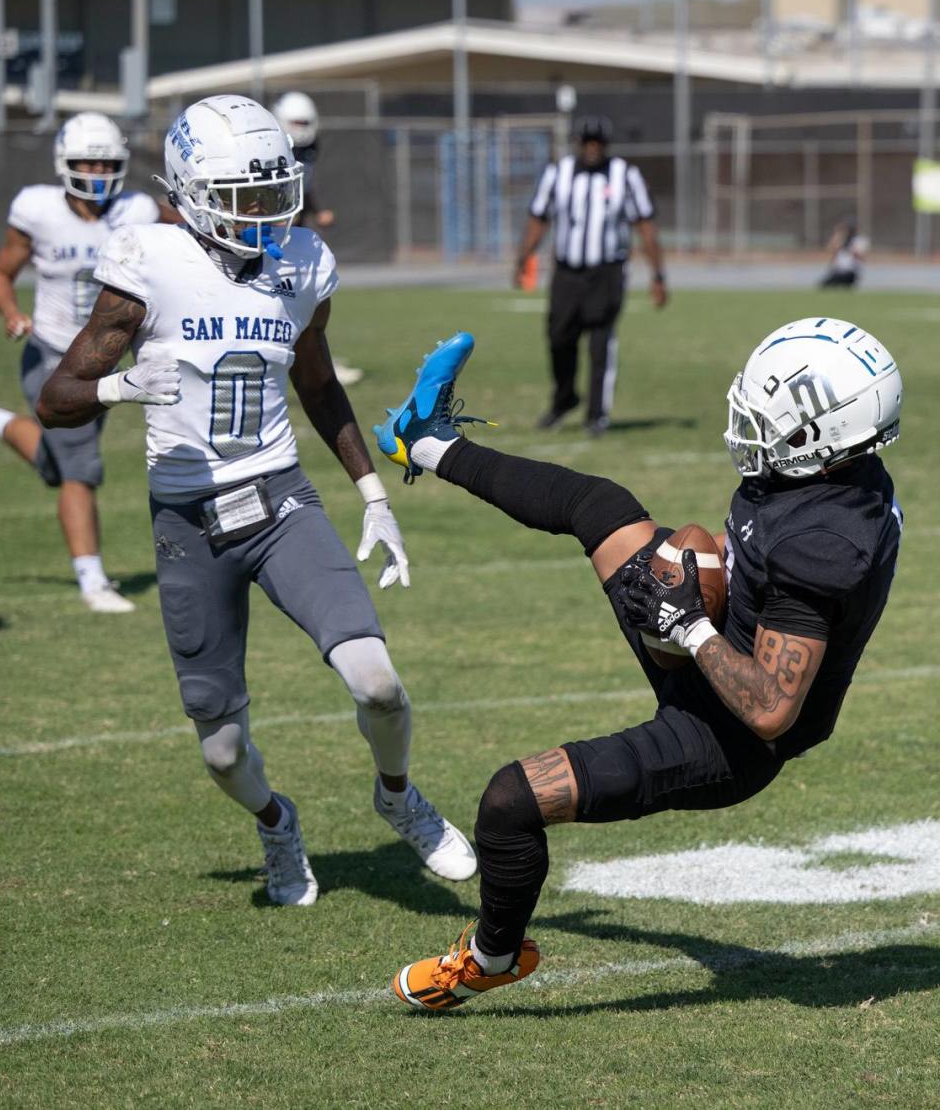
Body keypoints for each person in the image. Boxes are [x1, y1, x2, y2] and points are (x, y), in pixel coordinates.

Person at [374, 317, 903, 1010]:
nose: (748, 428)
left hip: (728, 733)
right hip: (706, 640)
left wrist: (685, 622)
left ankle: (492, 958)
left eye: (769, 420)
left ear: (820, 436)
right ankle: (427, 439)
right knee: (600, 507)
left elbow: (772, 710)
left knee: (509, 801)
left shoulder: (826, 543)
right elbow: (760, 562)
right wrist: (699, 575)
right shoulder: (835, 468)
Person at [37, 94, 476, 906]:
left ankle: (398, 795)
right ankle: (277, 824)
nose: (267, 213)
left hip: (279, 500)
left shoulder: (303, 261)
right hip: (187, 521)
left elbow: (317, 384)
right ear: (190, 190)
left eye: (275, 193)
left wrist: (373, 493)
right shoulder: (149, 260)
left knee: (376, 680)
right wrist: (122, 384)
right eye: (245, 197)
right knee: (222, 752)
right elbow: (55, 396)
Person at [0, 111, 181, 612]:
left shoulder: (138, 210)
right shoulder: (37, 209)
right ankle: (93, 580)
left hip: (104, 356)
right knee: (80, 468)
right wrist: (10, 313)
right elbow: (2, 273)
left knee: (59, 463)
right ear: (64, 164)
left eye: (105, 162)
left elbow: (192, 230)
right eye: (85, 162)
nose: (95, 172)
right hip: (50, 355)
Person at [514, 115, 667, 437]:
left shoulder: (626, 175)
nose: (592, 148)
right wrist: (522, 257)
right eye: (587, 142)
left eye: (598, 143)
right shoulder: (558, 173)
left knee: (600, 343)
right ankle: (564, 398)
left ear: (606, 145)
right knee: (558, 338)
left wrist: (658, 275)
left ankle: (597, 415)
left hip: (606, 272)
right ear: (578, 144)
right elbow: (539, 218)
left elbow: (645, 226)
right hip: (567, 272)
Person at [273, 91, 362, 388]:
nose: (301, 128)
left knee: (306, 295)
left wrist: (315, 209)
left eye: (304, 122)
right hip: (268, 235)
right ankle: (299, 360)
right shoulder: (270, 146)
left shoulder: (310, 147)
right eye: (295, 122)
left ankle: (312, 358)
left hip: (294, 232)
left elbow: (302, 186)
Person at [819, 218, 868, 288]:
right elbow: (831, 249)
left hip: (850, 272)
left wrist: (851, 249)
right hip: (838, 271)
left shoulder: (859, 240)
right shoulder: (842, 240)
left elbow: (861, 257)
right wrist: (837, 234)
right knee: (824, 285)